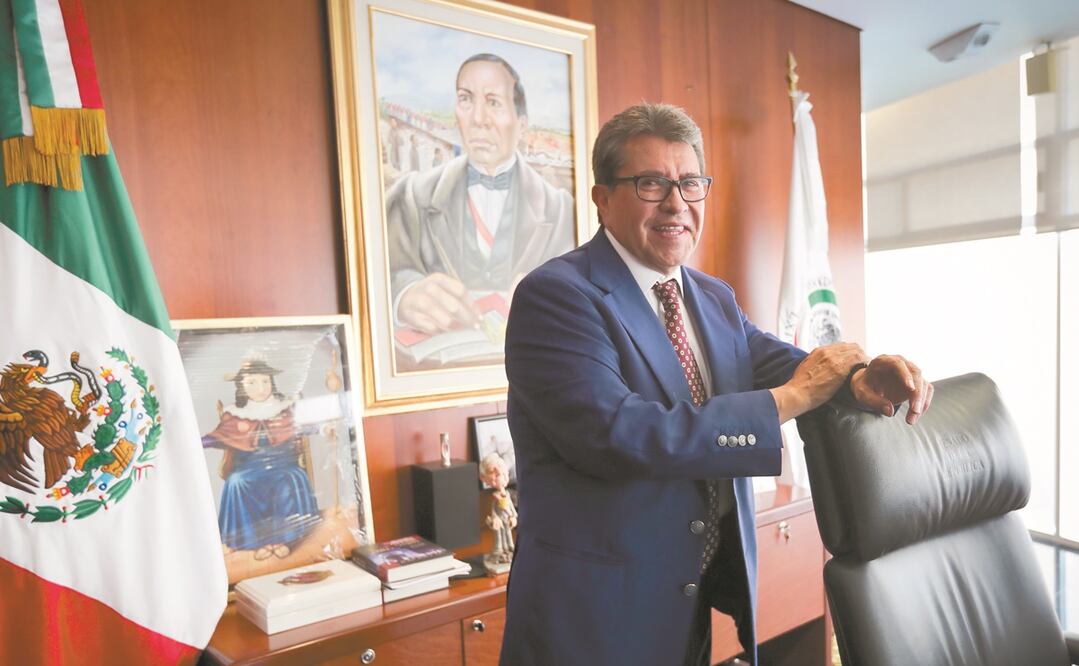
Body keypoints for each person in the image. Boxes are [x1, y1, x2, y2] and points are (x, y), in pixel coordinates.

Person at [499, 103, 933, 665]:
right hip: (593, 620)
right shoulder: (556, 295)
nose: (676, 203)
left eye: (690, 183)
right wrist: (793, 399)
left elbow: (788, 364)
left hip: (686, 605)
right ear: (603, 198)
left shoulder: (711, 296)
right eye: (651, 183)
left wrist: (859, 378)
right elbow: (617, 434)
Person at [385, 53, 575, 338]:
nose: (478, 119)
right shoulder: (410, 196)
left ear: (521, 124)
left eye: (493, 102)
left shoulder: (563, 212)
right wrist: (403, 295)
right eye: (466, 99)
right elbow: (374, 272)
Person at [202, 356, 321, 562]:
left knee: (290, 478)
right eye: (252, 382)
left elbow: (306, 426)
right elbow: (218, 436)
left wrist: (325, 427)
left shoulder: (284, 408)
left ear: (272, 382)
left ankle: (281, 540)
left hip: (284, 463)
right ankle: (260, 542)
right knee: (237, 482)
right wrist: (196, 443)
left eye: (265, 381)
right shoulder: (236, 413)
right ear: (242, 386)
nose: (261, 388)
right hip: (249, 466)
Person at [480, 453, 517, 572]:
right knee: (499, 536)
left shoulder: (507, 495)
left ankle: (510, 548)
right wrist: (495, 518)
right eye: (493, 480)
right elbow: (494, 510)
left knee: (508, 535)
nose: (499, 481)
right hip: (499, 521)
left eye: (501, 476)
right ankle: (499, 550)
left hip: (507, 520)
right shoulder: (495, 497)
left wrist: (513, 516)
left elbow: (511, 508)